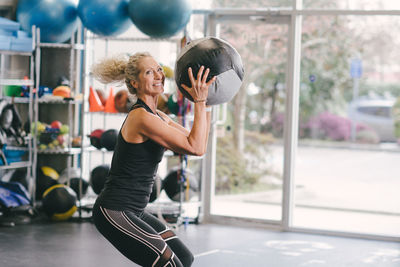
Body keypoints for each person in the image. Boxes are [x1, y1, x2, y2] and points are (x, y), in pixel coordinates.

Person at [91, 52, 216, 267]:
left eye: (159, 69)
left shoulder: (159, 117)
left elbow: (198, 144)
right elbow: (194, 147)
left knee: (184, 259)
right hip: (115, 210)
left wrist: (208, 101)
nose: (158, 75)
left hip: (135, 210)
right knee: (170, 265)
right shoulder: (141, 118)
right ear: (135, 83)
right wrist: (200, 101)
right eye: (149, 72)